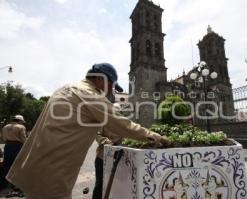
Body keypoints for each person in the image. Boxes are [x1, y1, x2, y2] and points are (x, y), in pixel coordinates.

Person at [6, 63, 169, 199]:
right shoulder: (91, 95)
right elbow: (122, 124)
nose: (110, 90)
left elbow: (96, 126)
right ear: (99, 78)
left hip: (33, 168)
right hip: (52, 174)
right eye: (110, 84)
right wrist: (154, 136)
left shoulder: (66, 89)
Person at [0, 115, 26, 196]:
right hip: (17, 147)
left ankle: (4, 184)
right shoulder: (21, 127)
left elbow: (3, 138)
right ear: (19, 121)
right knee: (18, 165)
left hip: (8, 146)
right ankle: (17, 185)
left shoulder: (5, 127)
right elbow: (23, 139)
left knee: (6, 165)